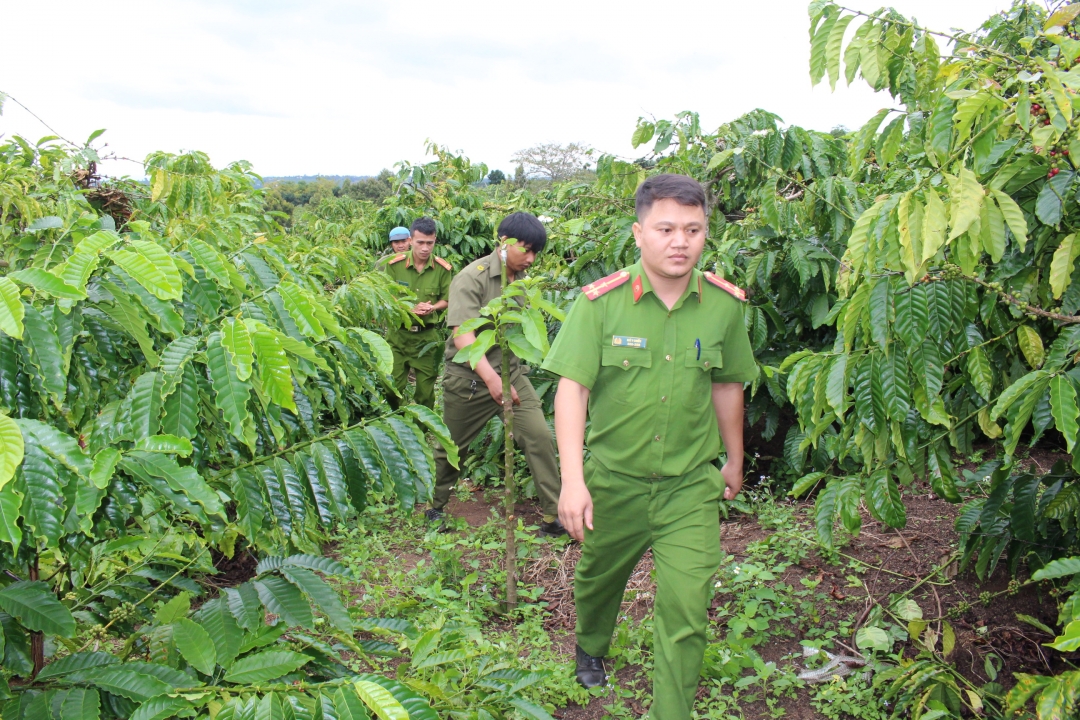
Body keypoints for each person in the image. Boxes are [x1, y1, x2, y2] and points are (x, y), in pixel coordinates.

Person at [540, 174, 757, 720]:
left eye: (693, 229)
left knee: (687, 608)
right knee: (598, 576)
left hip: (689, 485)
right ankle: (591, 643)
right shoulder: (600, 304)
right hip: (615, 481)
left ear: (707, 234)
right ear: (638, 234)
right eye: (665, 228)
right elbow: (573, 388)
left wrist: (735, 458)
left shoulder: (724, 307)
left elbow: (728, 385)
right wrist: (573, 479)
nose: (679, 241)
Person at [429, 212, 565, 537]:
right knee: (452, 448)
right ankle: (434, 506)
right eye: (526, 250)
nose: (531, 259)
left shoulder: (520, 281)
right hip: (470, 381)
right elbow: (463, 334)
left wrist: (507, 377)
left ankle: (554, 516)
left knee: (540, 437)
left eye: (536, 253)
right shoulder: (470, 277)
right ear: (504, 242)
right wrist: (490, 379)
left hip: (511, 375)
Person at [380, 217, 453, 409]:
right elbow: (386, 295)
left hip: (426, 338)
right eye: (420, 242)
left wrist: (433, 308)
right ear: (410, 240)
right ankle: (400, 420)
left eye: (430, 243)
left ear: (435, 240)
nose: (425, 248)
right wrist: (408, 308)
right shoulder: (394, 265)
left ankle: (421, 430)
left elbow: (447, 299)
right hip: (399, 336)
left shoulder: (442, 269)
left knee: (425, 394)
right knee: (392, 387)